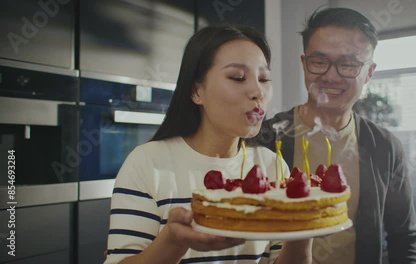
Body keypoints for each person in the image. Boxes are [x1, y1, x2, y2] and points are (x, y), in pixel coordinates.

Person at [104, 25, 312, 264]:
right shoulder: (147, 163)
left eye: (264, 79)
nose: (258, 91)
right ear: (196, 91)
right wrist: (173, 241)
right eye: (237, 77)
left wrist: (305, 232)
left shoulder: (272, 167)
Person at [251, 7, 416, 264]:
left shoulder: (384, 147)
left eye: (348, 64)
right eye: (319, 61)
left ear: (369, 73)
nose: (331, 75)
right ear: (304, 64)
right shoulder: (264, 137)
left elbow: (404, 238)